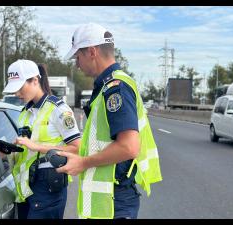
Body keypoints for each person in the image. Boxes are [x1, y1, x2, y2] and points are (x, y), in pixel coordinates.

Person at [55, 23, 162, 219]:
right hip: (112, 199)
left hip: (116, 200)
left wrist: (84, 163)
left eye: (78, 57)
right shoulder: (107, 86)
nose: (77, 64)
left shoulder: (116, 87)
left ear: (92, 52)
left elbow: (129, 147)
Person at [2, 59, 81, 219]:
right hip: (26, 184)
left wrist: (38, 147)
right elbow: (27, 151)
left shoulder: (58, 109)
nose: (17, 94)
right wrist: (7, 152)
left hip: (48, 183)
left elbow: (77, 147)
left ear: (35, 81)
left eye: (19, 88)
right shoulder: (24, 112)